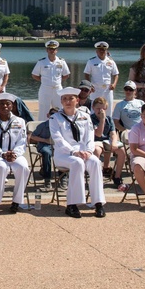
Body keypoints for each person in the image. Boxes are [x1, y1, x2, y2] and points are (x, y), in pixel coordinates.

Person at [50, 87, 106, 218]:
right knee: (77, 163)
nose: (68, 101)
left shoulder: (85, 117)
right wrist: (74, 151)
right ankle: (72, 205)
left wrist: (88, 151)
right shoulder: (55, 118)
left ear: (77, 100)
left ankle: (98, 203)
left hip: (84, 153)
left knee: (95, 162)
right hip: (64, 155)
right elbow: (58, 140)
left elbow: (90, 137)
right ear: (61, 101)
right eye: (65, 99)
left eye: (71, 98)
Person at [0, 93, 31, 213]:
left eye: (7, 104)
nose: (4, 106)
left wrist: (15, 154)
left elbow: (22, 142)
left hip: (14, 155)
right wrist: (2, 154)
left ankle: (16, 201)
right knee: (1, 166)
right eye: (1, 104)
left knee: (23, 167)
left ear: (12, 106)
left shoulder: (20, 121)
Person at [91, 96, 126, 191]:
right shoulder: (91, 119)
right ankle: (96, 178)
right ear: (93, 108)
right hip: (95, 141)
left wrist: (114, 142)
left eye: (102, 108)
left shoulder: (109, 119)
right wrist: (102, 120)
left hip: (106, 141)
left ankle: (117, 176)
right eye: (98, 108)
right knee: (97, 150)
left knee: (122, 151)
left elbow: (113, 133)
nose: (100, 111)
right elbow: (98, 133)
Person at [32, 39, 71, 121]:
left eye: (53, 49)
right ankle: (42, 128)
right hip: (45, 89)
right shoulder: (41, 62)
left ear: (56, 50)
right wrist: (44, 81)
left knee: (59, 109)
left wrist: (58, 81)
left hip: (58, 89)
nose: (52, 51)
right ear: (47, 50)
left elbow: (66, 75)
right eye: (50, 49)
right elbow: (34, 75)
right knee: (43, 110)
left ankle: (59, 126)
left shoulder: (61, 61)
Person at [83, 41, 119, 111]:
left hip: (107, 89)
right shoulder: (91, 61)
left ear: (106, 51)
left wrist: (114, 84)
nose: (102, 51)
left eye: (104, 50)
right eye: (100, 50)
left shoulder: (111, 61)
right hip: (95, 89)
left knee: (108, 109)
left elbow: (116, 74)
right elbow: (86, 74)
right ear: (96, 51)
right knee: (94, 109)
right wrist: (90, 85)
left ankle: (107, 121)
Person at [28, 108, 57, 186]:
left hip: (57, 145)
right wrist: (45, 140)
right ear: (48, 115)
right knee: (46, 153)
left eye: (56, 114)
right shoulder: (43, 125)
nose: (54, 116)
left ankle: (63, 177)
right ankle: (47, 179)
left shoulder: (61, 125)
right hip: (45, 145)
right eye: (52, 114)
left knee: (65, 152)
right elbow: (33, 136)